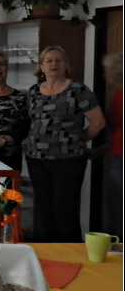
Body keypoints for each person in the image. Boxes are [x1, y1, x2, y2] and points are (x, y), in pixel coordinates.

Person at [25, 46, 106, 242]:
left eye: (58, 60)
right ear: (41, 66)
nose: (54, 64)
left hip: (68, 160)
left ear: (65, 65)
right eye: (49, 60)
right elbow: (31, 122)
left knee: (64, 210)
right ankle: (46, 254)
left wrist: (75, 139)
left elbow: (98, 123)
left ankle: (70, 253)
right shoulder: (33, 91)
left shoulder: (77, 90)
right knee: (43, 210)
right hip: (37, 159)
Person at [102, 53, 122, 237]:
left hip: (120, 159)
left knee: (119, 210)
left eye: (107, 70)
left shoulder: (121, 95)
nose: (105, 74)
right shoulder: (118, 94)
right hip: (116, 155)